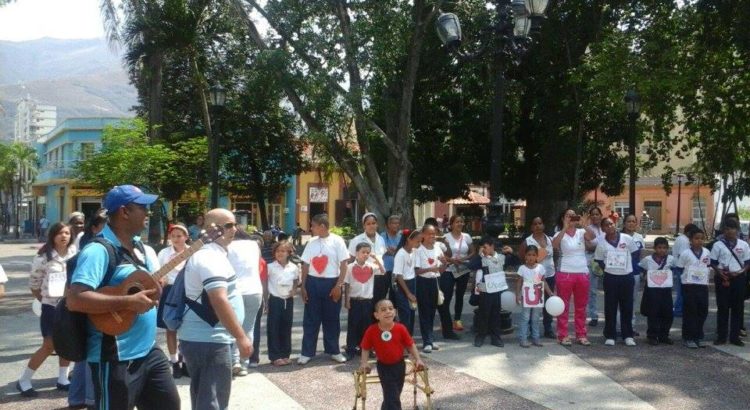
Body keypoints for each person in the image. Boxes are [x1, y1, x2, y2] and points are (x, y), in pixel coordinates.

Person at [67, 185, 180, 410]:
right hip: (115, 357)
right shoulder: (97, 251)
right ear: (124, 212)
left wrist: (156, 288)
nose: (148, 212)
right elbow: (75, 299)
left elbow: (148, 288)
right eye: (142, 207)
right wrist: (128, 301)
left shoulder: (140, 248)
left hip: (148, 350)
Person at [178, 208, 249, 409]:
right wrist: (241, 337)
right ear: (212, 228)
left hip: (206, 339)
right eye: (228, 225)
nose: (234, 229)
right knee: (212, 402)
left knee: (205, 398)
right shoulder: (210, 257)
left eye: (235, 224)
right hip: (209, 340)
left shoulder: (212, 254)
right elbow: (218, 299)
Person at [16, 222, 76, 397]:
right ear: (52, 236)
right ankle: (24, 380)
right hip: (51, 307)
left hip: (71, 305)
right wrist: (45, 300)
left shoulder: (75, 253)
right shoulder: (43, 257)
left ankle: (63, 378)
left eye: (67, 233)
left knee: (67, 342)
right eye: (60, 233)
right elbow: (34, 284)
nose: (64, 236)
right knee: (49, 345)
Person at [68, 209, 108, 410]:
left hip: (87, 310)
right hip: (90, 311)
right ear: (95, 228)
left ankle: (77, 398)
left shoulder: (90, 246)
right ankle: (90, 400)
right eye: (106, 224)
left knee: (84, 356)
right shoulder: (93, 251)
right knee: (92, 353)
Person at [298, 213, 350, 364]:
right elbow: (305, 264)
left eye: (313, 226)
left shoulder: (337, 241)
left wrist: (338, 286)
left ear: (322, 226)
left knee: (332, 318)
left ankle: (334, 350)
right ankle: (307, 352)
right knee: (311, 319)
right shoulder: (311, 242)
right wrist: (303, 286)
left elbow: (344, 264)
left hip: (332, 282)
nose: (311, 228)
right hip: (313, 282)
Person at [358, 299, 425, 410]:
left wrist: (418, 359)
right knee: (392, 394)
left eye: (390, 308)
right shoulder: (372, 330)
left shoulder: (400, 328)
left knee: (394, 393)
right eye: (383, 310)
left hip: (400, 365)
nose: (388, 311)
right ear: (376, 315)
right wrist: (364, 363)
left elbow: (410, 344)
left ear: (395, 312)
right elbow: (365, 347)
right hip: (384, 366)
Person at [551, 209, 597, 346]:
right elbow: (555, 245)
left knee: (581, 306)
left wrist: (584, 225)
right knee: (563, 306)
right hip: (565, 272)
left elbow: (593, 236)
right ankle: (563, 335)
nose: (571, 218)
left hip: (582, 272)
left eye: (573, 215)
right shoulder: (559, 233)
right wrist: (565, 228)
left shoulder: (581, 232)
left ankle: (581, 334)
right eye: (568, 216)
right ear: (563, 218)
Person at [594, 218, 640, 346]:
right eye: (606, 225)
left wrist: (625, 265)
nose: (609, 226)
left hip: (627, 277)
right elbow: (599, 260)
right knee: (610, 307)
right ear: (603, 229)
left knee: (627, 306)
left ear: (615, 224)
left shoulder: (627, 238)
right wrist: (609, 268)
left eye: (611, 224)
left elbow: (635, 253)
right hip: (610, 278)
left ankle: (628, 335)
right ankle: (610, 335)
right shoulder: (602, 244)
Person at [228, 228, 263, 374]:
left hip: (235, 291)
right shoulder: (254, 245)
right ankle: (244, 363)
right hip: (255, 290)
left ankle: (234, 360)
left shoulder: (227, 246)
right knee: (248, 328)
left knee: (232, 327)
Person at [156, 223, 190, 378]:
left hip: (187, 291)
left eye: (179, 236)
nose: (176, 239)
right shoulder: (164, 253)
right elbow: (158, 272)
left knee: (187, 327)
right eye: (173, 236)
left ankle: (186, 361)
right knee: (170, 327)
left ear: (186, 237)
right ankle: (174, 361)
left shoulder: (193, 251)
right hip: (169, 291)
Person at [709, 218, 749, 346]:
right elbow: (713, 262)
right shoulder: (718, 245)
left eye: (732, 228)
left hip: (738, 278)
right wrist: (720, 272)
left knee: (738, 307)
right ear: (723, 230)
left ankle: (735, 337)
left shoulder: (743, 245)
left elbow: (747, 263)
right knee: (723, 307)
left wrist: (740, 272)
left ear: (737, 230)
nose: (729, 231)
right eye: (726, 229)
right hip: (722, 278)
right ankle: (721, 336)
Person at [344, 242, 385, 360]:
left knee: (366, 325)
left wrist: (376, 259)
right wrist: (347, 300)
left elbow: (383, 271)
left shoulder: (371, 266)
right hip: (355, 300)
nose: (365, 254)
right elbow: (347, 284)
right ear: (357, 253)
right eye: (363, 252)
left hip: (367, 301)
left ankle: (366, 348)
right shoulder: (350, 267)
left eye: (368, 252)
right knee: (353, 325)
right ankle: (351, 349)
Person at [473, 237, 516, 347]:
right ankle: (480, 336)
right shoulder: (482, 259)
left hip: (498, 290)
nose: (484, 250)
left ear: (492, 246)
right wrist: (479, 255)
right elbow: (471, 265)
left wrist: (511, 252)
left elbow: (516, 261)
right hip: (485, 291)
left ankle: (495, 337)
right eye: (482, 248)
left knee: (496, 314)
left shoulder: (502, 257)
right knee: (484, 313)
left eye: (485, 247)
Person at [518, 216, 556, 338]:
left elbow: (555, 255)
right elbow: (522, 258)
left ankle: (548, 328)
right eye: (535, 224)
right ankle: (530, 330)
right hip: (533, 279)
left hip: (549, 275)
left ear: (543, 225)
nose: (538, 226)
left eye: (540, 223)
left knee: (548, 302)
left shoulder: (550, 239)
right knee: (532, 304)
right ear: (531, 227)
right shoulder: (527, 242)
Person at [415, 223, 449, 353]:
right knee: (424, 311)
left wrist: (444, 263)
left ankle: (430, 339)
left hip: (435, 280)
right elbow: (416, 271)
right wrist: (430, 269)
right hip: (423, 282)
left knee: (432, 311)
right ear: (423, 235)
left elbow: (441, 270)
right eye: (429, 234)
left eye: (434, 234)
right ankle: (427, 342)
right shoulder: (418, 250)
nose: (432, 236)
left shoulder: (438, 248)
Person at [675, 228, 711, 349]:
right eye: (696, 238)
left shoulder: (706, 252)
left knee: (702, 310)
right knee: (690, 311)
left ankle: (698, 336)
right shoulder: (685, 253)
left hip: (702, 286)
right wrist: (686, 280)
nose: (699, 241)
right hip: (689, 286)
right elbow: (680, 269)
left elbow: (707, 266)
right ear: (690, 240)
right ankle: (688, 337)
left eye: (701, 238)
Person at [266, 241, 299, 366]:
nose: (280, 253)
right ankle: (275, 356)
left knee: (286, 326)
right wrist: (265, 301)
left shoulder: (293, 267)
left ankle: (285, 354)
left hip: (288, 300)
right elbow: (265, 283)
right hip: (275, 299)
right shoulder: (270, 267)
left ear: (289, 253)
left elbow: (296, 280)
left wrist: (294, 290)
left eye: (283, 251)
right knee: (273, 327)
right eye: (278, 251)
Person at [638, 237, 675, 345]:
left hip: (665, 290)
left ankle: (664, 335)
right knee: (653, 312)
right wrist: (645, 275)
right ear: (654, 248)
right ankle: (652, 336)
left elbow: (675, 269)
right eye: (659, 247)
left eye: (664, 248)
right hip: (652, 290)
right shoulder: (648, 259)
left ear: (667, 248)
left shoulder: (671, 259)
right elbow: (641, 269)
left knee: (667, 312)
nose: (662, 250)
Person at [442, 215, 475, 333]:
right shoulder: (445, 237)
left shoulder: (467, 237)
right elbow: (441, 253)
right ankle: (445, 321)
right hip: (449, 269)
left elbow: (473, 252)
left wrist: (464, 259)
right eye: (457, 222)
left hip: (463, 269)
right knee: (447, 296)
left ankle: (457, 319)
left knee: (460, 295)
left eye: (461, 222)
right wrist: (451, 260)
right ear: (451, 224)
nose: (460, 224)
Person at [516, 245, 553, 347]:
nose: (531, 257)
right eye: (529, 255)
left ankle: (536, 338)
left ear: (537, 256)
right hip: (526, 297)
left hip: (537, 297)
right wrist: (518, 294)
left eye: (533, 255)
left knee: (536, 318)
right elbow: (519, 282)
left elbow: (543, 281)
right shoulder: (522, 268)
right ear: (525, 256)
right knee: (525, 317)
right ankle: (523, 338)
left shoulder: (540, 268)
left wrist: (550, 292)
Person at [348, 213, 388, 302]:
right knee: (366, 303)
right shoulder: (356, 240)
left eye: (373, 223)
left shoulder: (381, 239)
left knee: (379, 303)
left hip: (380, 276)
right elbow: (351, 259)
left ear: (377, 224)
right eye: (368, 224)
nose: (371, 226)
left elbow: (382, 256)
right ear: (364, 226)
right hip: (364, 276)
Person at [620, 214, 645, 336]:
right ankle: (619, 327)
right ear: (624, 223)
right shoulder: (619, 236)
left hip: (634, 272)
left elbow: (641, 255)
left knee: (633, 300)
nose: (631, 223)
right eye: (628, 221)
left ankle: (631, 326)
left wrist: (642, 270)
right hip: (620, 272)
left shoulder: (639, 237)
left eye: (633, 221)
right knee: (620, 301)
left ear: (636, 224)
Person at [393, 229, 421, 335]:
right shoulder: (400, 254)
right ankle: (403, 338)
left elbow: (414, 269)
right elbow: (398, 275)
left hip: (412, 282)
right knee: (405, 314)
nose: (419, 244)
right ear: (409, 240)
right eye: (417, 241)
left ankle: (409, 337)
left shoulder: (414, 251)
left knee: (412, 311)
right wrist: (408, 293)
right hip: (402, 285)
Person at [672, 223, 698, 318]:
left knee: (682, 290)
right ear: (688, 232)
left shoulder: (681, 238)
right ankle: (678, 310)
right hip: (681, 267)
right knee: (682, 290)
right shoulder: (684, 240)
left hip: (679, 266)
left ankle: (679, 308)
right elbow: (683, 255)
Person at [585, 207, 605, 327]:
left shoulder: (607, 228)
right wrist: (602, 246)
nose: (595, 216)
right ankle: (593, 315)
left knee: (610, 290)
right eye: (592, 214)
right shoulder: (587, 229)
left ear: (601, 215)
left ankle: (610, 314)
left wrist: (596, 246)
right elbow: (588, 246)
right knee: (592, 290)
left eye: (597, 214)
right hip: (592, 262)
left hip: (608, 262)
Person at [381, 215, 402, 306]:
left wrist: (393, 250)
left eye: (398, 223)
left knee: (395, 295)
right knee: (382, 293)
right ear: (388, 225)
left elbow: (402, 251)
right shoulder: (383, 236)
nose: (396, 225)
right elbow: (385, 250)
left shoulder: (400, 236)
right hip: (385, 270)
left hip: (396, 270)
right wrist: (396, 251)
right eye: (394, 223)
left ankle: (392, 313)